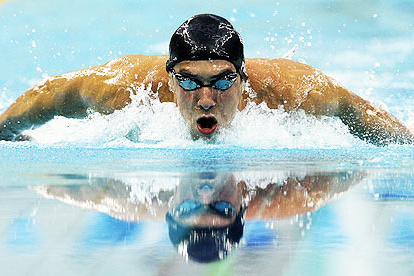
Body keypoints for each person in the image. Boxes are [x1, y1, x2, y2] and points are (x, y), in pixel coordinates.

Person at [0, 14, 413, 145]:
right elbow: (49, 95)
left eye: (221, 81)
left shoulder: (296, 91)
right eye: (188, 81)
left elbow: (363, 115)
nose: (205, 99)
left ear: (244, 80)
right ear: (167, 79)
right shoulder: (120, 89)